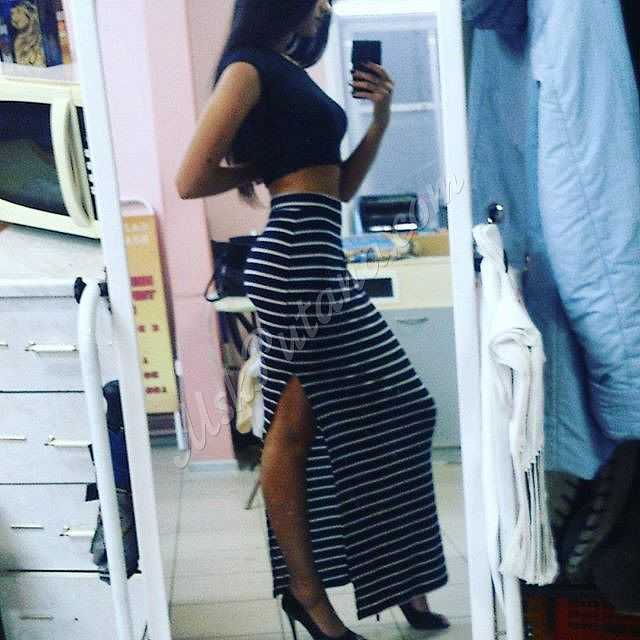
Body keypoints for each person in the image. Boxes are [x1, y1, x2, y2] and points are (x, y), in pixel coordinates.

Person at [176, 1, 450, 638]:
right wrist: (262, 167)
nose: (325, 5)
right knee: (296, 432)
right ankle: (310, 595)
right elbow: (190, 179)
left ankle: (395, 577)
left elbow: (341, 188)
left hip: (321, 254)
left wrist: (380, 119)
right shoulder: (248, 68)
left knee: (396, 410)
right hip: (297, 259)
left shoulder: (288, 70)